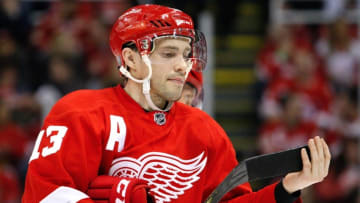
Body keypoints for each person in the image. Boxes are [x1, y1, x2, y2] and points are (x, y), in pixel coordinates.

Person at [22, 4, 331, 203]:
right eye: (169, 54)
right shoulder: (80, 113)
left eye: (186, 54)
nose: (184, 66)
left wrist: (288, 187)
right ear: (131, 58)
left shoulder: (204, 130)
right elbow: (47, 195)